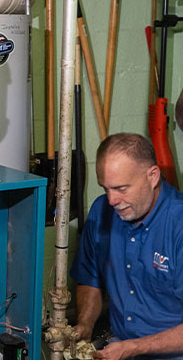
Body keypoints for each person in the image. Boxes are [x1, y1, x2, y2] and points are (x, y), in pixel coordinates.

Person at [70, 133, 183, 360]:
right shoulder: (102, 211)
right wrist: (85, 324)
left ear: (152, 177)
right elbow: (90, 279)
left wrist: (132, 347)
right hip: (120, 347)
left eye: (121, 188)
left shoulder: (178, 226)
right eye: (105, 188)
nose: (111, 200)